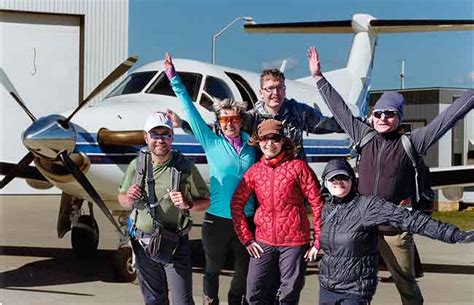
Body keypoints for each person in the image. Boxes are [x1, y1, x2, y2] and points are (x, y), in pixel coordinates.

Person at [308, 45, 474, 305]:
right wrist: (319, 78)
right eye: (378, 113)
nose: (383, 117)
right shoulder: (363, 137)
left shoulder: (412, 142)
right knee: (359, 283)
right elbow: (340, 109)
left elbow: (448, 119)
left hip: (394, 229)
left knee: (405, 283)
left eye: (390, 113)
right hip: (362, 227)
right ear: (371, 117)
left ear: (399, 117)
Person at [165, 53, 257, 305]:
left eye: (234, 119)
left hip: (245, 219)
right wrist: (174, 79)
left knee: (244, 269)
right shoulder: (212, 142)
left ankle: (234, 300)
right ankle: (211, 301)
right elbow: (192, 113)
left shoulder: (252, 147)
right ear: (219, 122)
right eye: (224, 120)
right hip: (217, 219)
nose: (229, 124)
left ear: (240, 121)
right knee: (212, 268)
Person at [317, 158, 474, 305]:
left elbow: (411, 220)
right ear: (325, 183)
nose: (338, 182)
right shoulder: (328, 209)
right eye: (332, 179)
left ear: (352, 180)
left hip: (353, 291)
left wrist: (453, 234)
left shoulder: (368, 207)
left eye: (343, 177)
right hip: (327, 289)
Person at [118, 111, 209, 305]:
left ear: (172, 137)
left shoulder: (184, 167)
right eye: (155, 134)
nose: (160, 140)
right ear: (146, 137)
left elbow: (207, 201)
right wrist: (128, 197)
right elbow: (122, 199)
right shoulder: (137, 166)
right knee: (154, 300)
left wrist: (188, 203)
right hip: (143, 244)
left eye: (166, 134)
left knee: (182, 301)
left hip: (174, 245)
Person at [231, 119, 324, 305]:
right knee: (254, 292)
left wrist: (318, 241)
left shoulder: (298, 168)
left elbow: (317, 203)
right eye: (265, 139)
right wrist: (246, 238)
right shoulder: (255, 172)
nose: (270, 144)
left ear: (283, 141)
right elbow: (237, 203)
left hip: (294, 241)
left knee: (288, 293)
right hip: (264, 241)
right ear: (259, 142)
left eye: (275, 139)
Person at [243, 68, 342, 160]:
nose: (276, 93)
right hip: (266, 176)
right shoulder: (252, 118)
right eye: (270, 88)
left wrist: (354, 125)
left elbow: (327, 125)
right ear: (261, 92)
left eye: (280, 88)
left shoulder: (298, 111)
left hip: (295, 174)